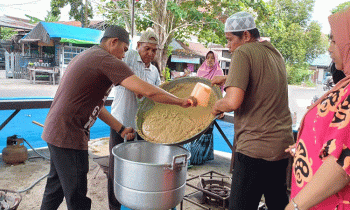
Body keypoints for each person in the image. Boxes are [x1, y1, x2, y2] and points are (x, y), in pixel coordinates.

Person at [39, 25, 196, 210]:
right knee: (77, 196)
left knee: (55, 188)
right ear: (113, 42)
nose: (123, 56)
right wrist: (181, 101)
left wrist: (120, 128)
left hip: (56, 131)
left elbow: (96, 107)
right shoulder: (105, 59)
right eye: (124, 49)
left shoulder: (91, 56)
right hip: (68, 134)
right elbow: (148, 91)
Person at [211, 11, 294, 210]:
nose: (229, 47)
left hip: (254, 150)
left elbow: (232, 102)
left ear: (246, 36)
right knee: (277, 203)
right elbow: (260, 80)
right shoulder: (274, 52)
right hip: (282, 147)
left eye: (231, 40)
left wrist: (214, 106)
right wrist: (226, 79)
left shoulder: (243, 52)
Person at [285, 7, 350, 210]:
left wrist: (295, 206)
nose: (330, 48)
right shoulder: (345, 83)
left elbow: (342, 163)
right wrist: (306, 147)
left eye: (334, 40)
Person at [108, 28, 161, 209]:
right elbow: (127, 80)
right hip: (121, 123)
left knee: (139, 167)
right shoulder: (129, 56)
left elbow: (156, 96)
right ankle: (114, 206)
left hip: (142, 129)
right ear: (138, 46)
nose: (150, 53)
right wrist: (138, 89)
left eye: (154, 50)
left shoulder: (154, 71)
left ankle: (134, 203)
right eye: (147, 48)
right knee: (116, 168)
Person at [183, 51, 224, 165]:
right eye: (208, 58)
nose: (210, 60)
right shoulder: (200, 70)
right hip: (198, 104)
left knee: (206, 130)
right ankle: (191, 156)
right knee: (195, 128)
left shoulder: (219, 72)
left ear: (216, 60)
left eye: (212, 58)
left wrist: (221, 108)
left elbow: (219, 91)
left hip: (212, 106)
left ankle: (200, 158)